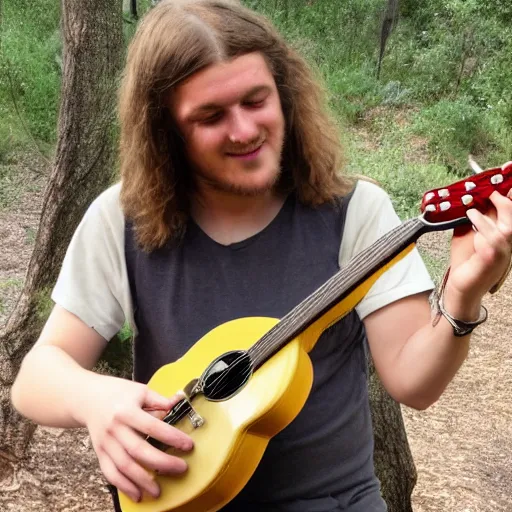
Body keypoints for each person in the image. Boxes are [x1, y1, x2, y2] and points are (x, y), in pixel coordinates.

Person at [11, 1, 512, 511]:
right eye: (210, 116)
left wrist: (463, 294)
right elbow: (35, 379)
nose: (245, 131)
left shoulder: (356, 211)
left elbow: (414, 383)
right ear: (166, 131)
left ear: (285, 95)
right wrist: (93, 399)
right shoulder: (120, 221)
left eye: (256, 101)